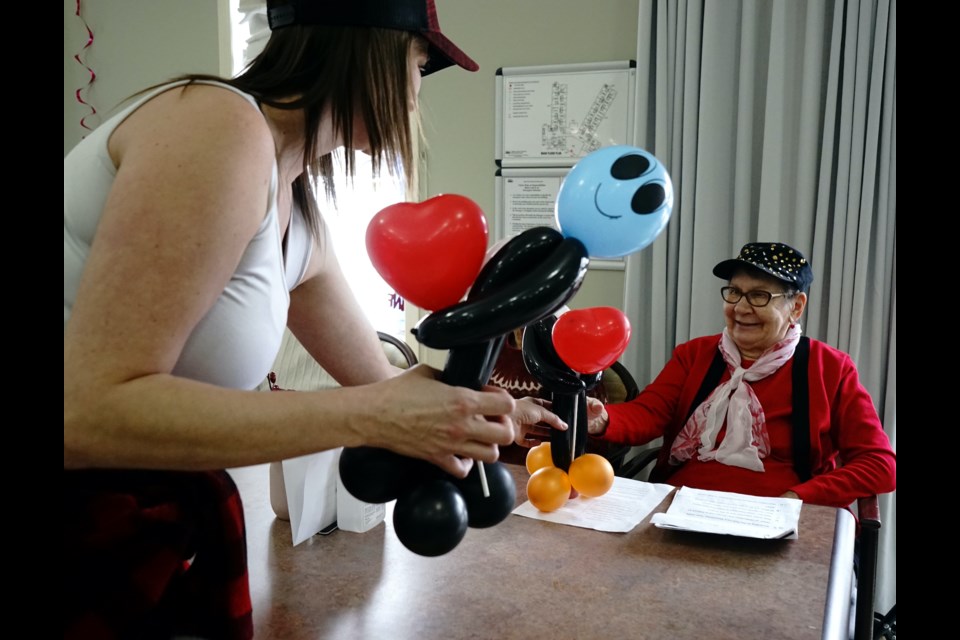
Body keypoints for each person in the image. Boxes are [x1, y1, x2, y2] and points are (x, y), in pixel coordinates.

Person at [63, 1, 563, 636]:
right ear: (369, 49)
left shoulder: (295, 201)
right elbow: (86, 415)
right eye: (416, 64)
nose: (415, 95)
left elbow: (382, 383)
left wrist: (482, 405)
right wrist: (372, 418)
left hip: (149, 519)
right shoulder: (215, 129)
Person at [586, 242, 896, 508]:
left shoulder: (831, 368)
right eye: (734, 292)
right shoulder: (695, 354)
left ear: (796, 307)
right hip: (684, 508)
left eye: (759, 296)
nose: (741, 308)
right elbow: (649, 414)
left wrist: (798, 496)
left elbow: (880, 465)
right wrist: (604, 420)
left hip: (778, 516)